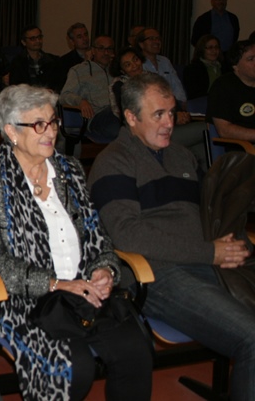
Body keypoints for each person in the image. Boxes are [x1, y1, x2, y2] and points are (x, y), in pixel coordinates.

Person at [0, 84, 152, 400]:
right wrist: (54, 284)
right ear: (11, 131)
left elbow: (96, 235)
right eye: (39, 124)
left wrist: (104, 270)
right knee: (73, 368)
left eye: (53, 121)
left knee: (135, 351)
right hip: (20, 298)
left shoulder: (70, 170)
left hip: (80, 291)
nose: (51, 131)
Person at [88, 73, 255, 400]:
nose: (169, 123)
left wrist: (233, 246)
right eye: (158, 115)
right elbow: (128, 236)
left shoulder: (181, 155)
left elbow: (211, 213)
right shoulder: (113, 162)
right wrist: (210, 253)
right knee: (252, 338)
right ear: (131, 117)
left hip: (206, 262)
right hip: (157, 273)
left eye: (171, 113)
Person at [110, 47, 207, 170]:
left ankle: (202, 180)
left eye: (135, 60)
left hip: (171, 125)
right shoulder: (120, 86)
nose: (134, 65)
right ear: (122, 70)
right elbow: (136, 116)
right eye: (128, 65)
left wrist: (181, 115)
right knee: (206, 128)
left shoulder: (152, 78)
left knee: (202, 147)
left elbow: (171, 101)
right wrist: (174, 117)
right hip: (146, 133)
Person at [59, 35, 120, 141]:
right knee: (117, 111)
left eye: (109, 49)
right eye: (101, 48)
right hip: (97, 118)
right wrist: (80, 101)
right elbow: (64, 96)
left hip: (118, 115)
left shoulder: (117, 71)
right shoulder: (79, 70)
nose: (106, 52)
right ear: (93, 51)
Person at [207, 38, 255, 141]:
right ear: (235, 66)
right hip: (241, 146)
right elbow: (224, 130)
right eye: (251, 59)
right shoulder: (223, 87)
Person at [9, 25, 59, 90]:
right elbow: (15, 87)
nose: (38, 41)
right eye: (33, 38)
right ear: (24, 42)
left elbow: (57, 84)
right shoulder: (17, 62)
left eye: (39, 37)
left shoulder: (52, 60)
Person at [182, 34, 230, 100]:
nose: (214, 51)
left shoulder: (225, 67)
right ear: (201, 49)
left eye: (216, 47)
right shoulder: (192, 69)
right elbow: (194, 94)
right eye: (210, 47)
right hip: (204, 101)